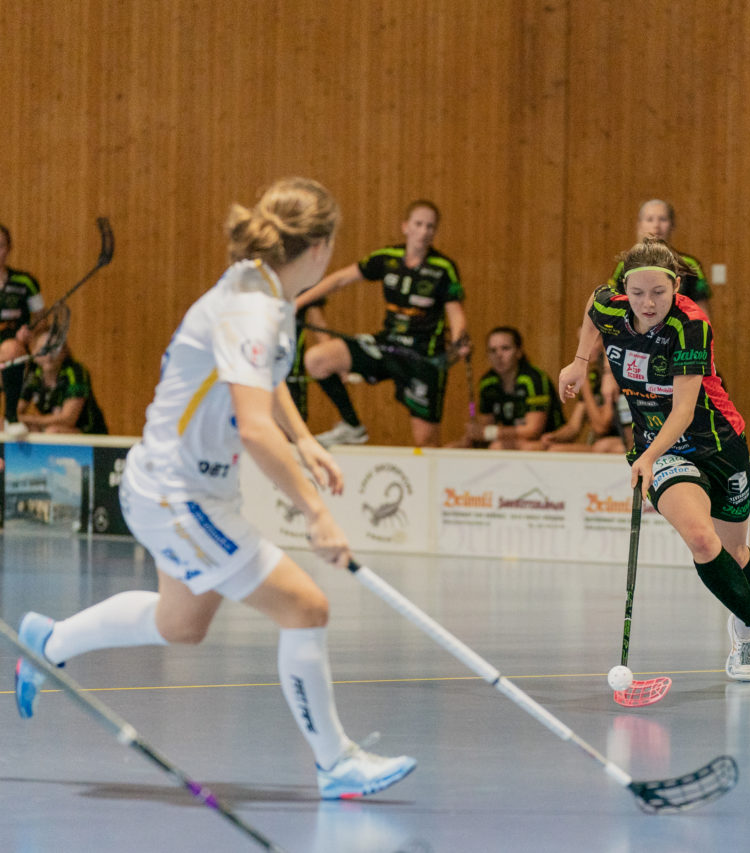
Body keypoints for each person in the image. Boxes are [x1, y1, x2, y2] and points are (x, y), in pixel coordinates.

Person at [12, 177, 416, 799]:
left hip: (187, 486)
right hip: (176, 493)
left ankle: (50, 640)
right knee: (306, 607)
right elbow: (254, 428)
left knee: (182, 625)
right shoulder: (254, 304)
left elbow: (256, 376)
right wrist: (316, 514)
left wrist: (305, 439)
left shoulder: (263, 292)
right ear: (321, 247)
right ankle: (336, 763)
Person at [559, 238, 750, 683]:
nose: (648, 303)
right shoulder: (609, 305)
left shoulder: (691, 325)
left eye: (659, 291)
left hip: (719, 442)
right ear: (624, 290)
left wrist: (646, 454)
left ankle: (743, 637)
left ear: (675, 285)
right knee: (701, 538)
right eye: (637, 293)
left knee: (734, 551)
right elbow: (591, 311)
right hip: (663, 450)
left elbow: (684, 410)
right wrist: (580, 362)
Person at [299, 199, 469, 447]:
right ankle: (352, 426)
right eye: (418, 224)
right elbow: (339, 279)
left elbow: (456, 313)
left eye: (430, 227)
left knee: (426, 441)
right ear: (405, 227)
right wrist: (296, 303)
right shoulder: (388, 258)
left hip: (423, 359)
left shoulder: (443, 268)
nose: (424, 232)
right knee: (317, 359)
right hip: (386, 346)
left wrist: (459, 340)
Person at [461, 326, 564, 450]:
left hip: (545, 440)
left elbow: (533, 431)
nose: (498, 355)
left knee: (497, 447)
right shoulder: (488, 382)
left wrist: (488, 433)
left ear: (519, 352)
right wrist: (474, 434)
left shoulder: (533, 380)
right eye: (493, 350)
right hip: (511, 440)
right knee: (456, 448)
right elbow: (486, 425)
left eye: (505, 348)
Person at [608, 200, 711, 315]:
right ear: (640, 225)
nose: (656, 225)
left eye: (663, 219)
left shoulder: (689, 264)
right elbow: (612, 306)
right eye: (649, 219)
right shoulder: (625, 265)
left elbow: (702, 312)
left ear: (672, 225)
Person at [16, 326, 108, 434]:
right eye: (43, 349)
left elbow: (68, 419)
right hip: (50, 428)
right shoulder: (33, 374)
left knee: (53, 432)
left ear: (64, 351)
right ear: (34, 353)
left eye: (54, 348)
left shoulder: (75, 372)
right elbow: (15, 413)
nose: (49, 355)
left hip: (89, 433)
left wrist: (30, 420)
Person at [0, 224, 44, 436]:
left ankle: (11, 415)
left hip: (14, 350)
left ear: (9, 249)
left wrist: (30, 331)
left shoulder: (26, 282)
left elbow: (42, 321)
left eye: (0, 246)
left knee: (11, 349)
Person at [540, 357, 625, 453]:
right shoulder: (594, 378)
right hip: (600, 444)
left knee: (602, 446)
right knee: (554, 449)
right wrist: (554, 436)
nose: (587, 348)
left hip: (626, 440)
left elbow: (601, 427)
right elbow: (573, 427)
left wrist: (584, 382)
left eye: (595, 341)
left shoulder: (614, 378)